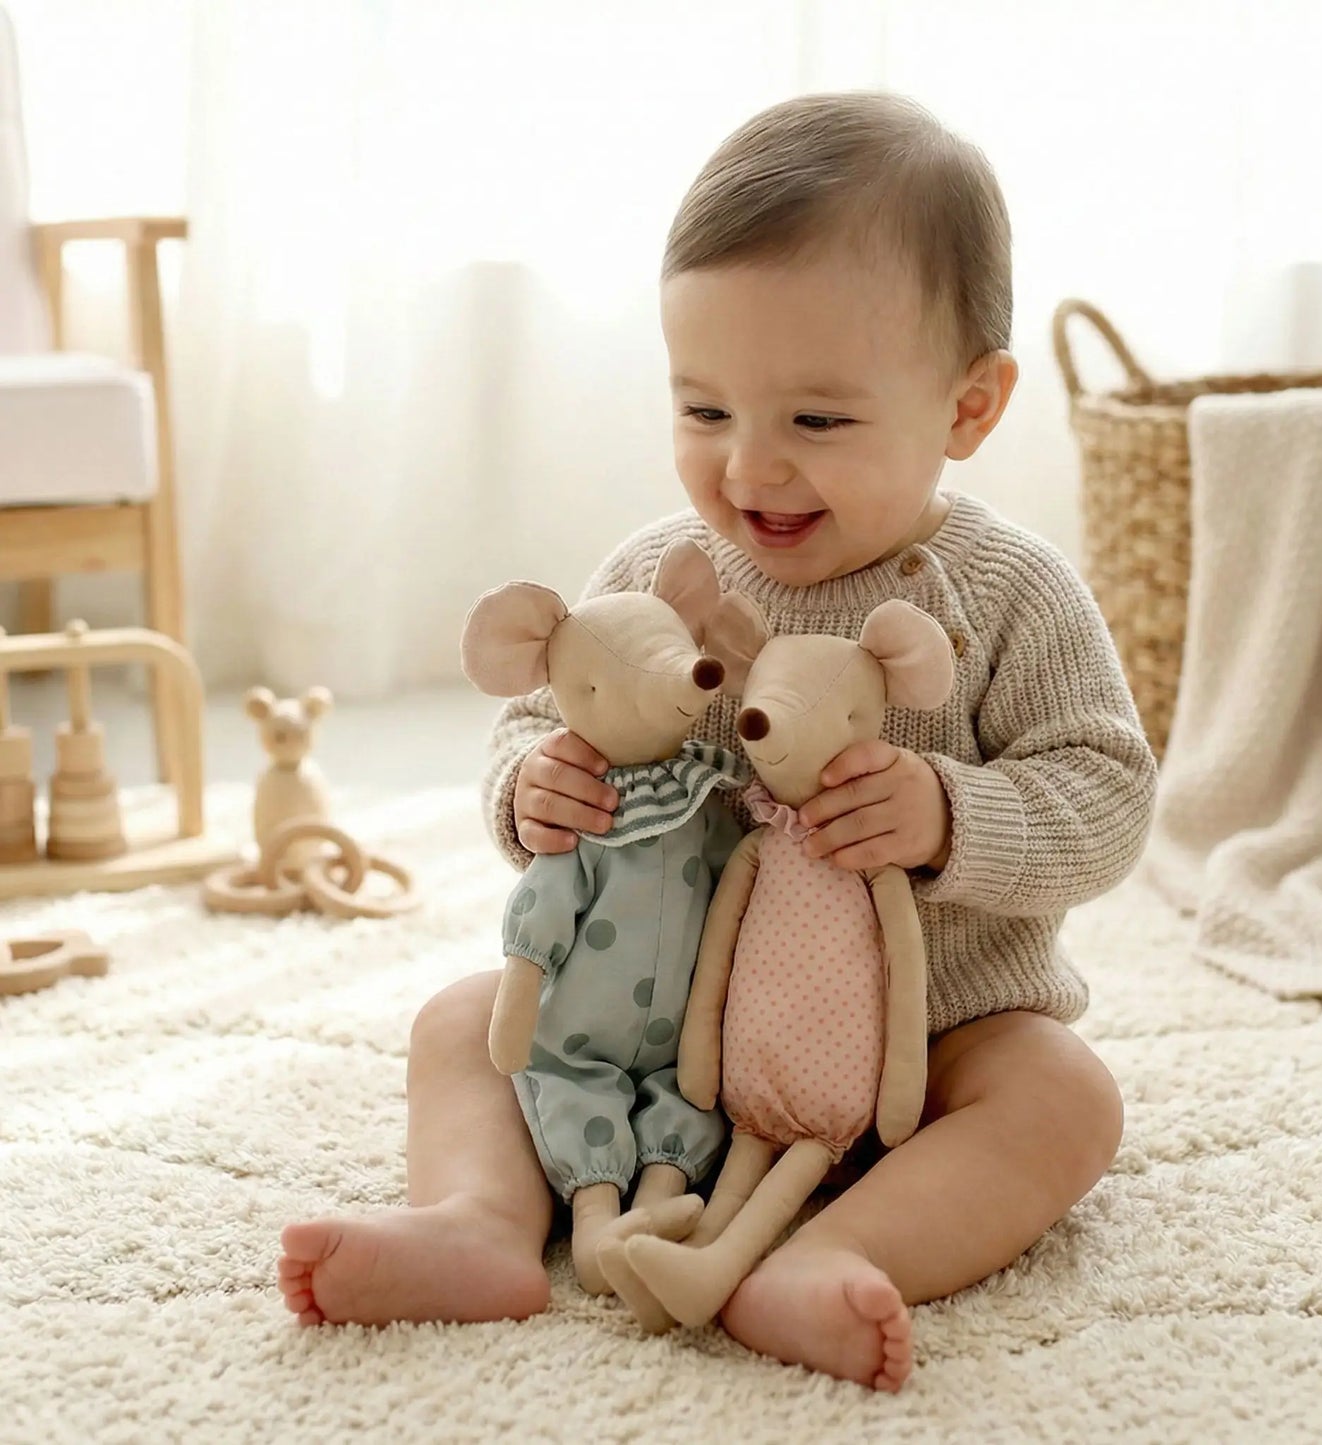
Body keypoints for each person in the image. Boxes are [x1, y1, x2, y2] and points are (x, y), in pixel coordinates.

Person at [278, 91, 1157, 1393]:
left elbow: (1106, 791)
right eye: (702, 411)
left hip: (931, 1043)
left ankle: (831, 1250)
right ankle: (480, 1222)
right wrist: (534, 788)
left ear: (968, 407)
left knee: (1064, 1096)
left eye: (814, 420)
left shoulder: (1009, 592)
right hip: (653, 1047)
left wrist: (950, 814)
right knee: (464, 1021)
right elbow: (542, 710)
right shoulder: (658, 573)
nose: (749, 466)